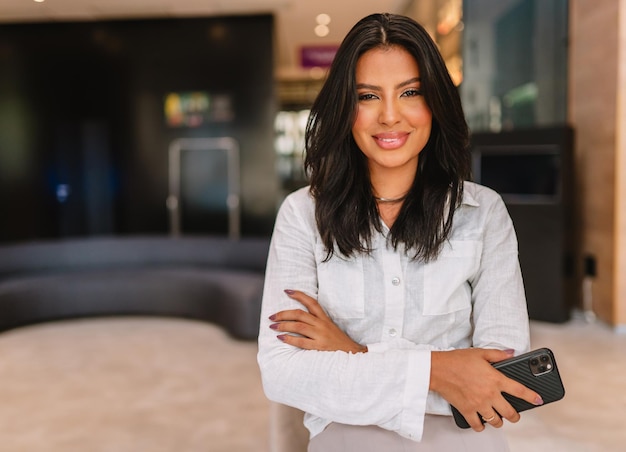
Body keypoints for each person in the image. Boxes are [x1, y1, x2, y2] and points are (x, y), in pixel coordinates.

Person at [257, 12, 543, 451]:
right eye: (368, 96)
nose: (390, 116)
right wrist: (440, 372)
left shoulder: (482, 212)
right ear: (345, 110)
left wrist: (351, 354)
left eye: (410, 92)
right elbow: (283, 374)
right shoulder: (302, 215)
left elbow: (498, 383)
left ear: (436, 102)